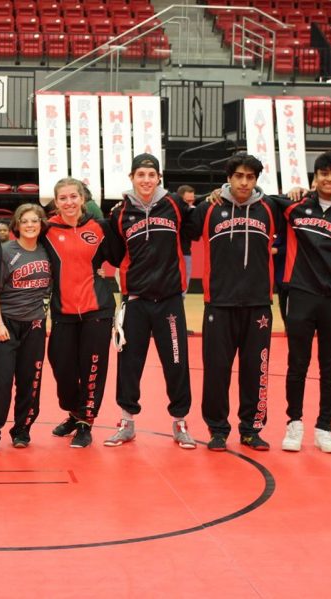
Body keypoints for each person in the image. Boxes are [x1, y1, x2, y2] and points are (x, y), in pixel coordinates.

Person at [190, 153, 283, 452]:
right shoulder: (209, 208)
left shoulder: (269, 208)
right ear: (229, 177)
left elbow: (302, 208)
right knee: (216, 370)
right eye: (239, 176)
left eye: (250, 177)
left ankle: (251, 429)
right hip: (219, 303)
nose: (244, 182)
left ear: (256, 180)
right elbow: (180, 221)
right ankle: (217, 429)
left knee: (256, 369)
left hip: (258, 304)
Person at [105, 154, 197, 449]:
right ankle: (127, 421)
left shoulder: (174, 205)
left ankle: (180, 421)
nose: (146, 180)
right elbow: (115, 254)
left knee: (176, 362)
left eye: (151, 174)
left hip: (169, 300)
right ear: (131, 177)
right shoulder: (119, 214)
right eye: (140, 174)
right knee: (129, 363)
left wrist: (219, 194)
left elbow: (197, 226)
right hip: (135, 301)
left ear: (159, 177)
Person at [274, 152, 331, 454]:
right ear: (315, 176)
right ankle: (294, 423)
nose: (329, 178)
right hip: (300, 295)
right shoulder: (294, 206)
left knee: (330, 367)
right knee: (297, 363)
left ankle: (325, 426)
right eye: (324, 173)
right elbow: (256, 198)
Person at [43, 177, 116, 448]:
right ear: (56, 201)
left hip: (97, 309)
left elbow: (119, 256)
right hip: (63, 311)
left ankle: (86, 422)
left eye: (73, 196)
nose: (69, 202)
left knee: (93, 368)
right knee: (61, 367)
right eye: (63, 198)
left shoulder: (100, 227)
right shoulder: (46, 229)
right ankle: (74, 412)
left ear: (82, 199)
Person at [0, 203, 51, 451]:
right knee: (0, 380)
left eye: (35, 220)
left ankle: (22, 430)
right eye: (25, 221)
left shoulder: (47, 251)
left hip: (35, 324)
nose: (30, 225)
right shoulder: (6, 252)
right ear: (16, 225)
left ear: (42, 224)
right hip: (6, 323)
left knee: (30, 380)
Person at [176, 184, 196, 293]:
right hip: (169, 254)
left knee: (184, 288)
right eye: (187, 201)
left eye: (192, 201)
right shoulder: (169, 211)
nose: (190, 204)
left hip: (185, 253)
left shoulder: (193, 213)